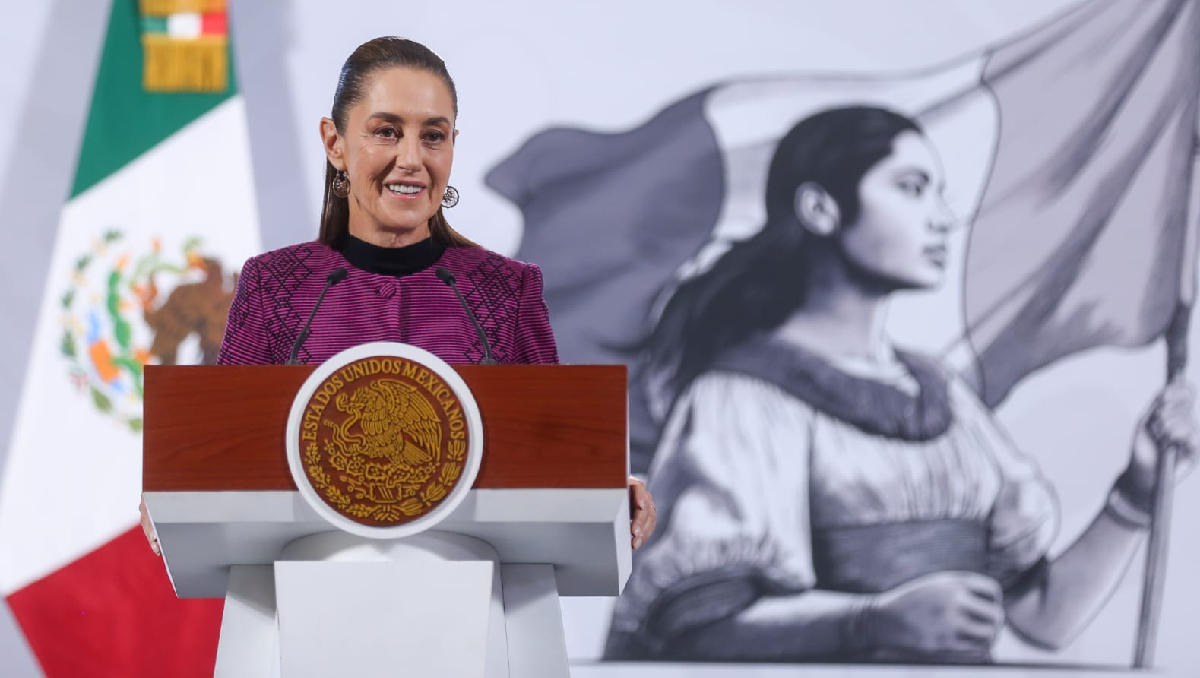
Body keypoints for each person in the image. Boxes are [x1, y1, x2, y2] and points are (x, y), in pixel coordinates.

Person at [602, 106, 1197, 663]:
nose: (942, 217)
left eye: (939, 193)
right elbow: (692, 632)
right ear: (820, 210)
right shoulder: (741, 398)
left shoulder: (944, 398)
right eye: (912, 188)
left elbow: (1044, 618)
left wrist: (1139, 490)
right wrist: (871, 621)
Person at [140, 36, 656, 553]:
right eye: (386, 132)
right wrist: (179, 491)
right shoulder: (276, 286)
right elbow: (223, 452)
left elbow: (558, 455)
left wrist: (611, 492)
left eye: (433, 137)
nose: (412, 159)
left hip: (474, 605)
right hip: (308, 605)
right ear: (334, 142)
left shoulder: (507, 292)